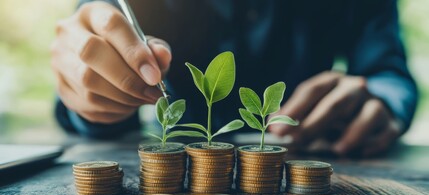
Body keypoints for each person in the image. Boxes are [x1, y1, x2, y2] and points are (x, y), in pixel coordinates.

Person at [51, 0, 418, 156]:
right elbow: (93, 48)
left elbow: (388, 72)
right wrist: (89, 94)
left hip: (311, 148)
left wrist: (383, 98)